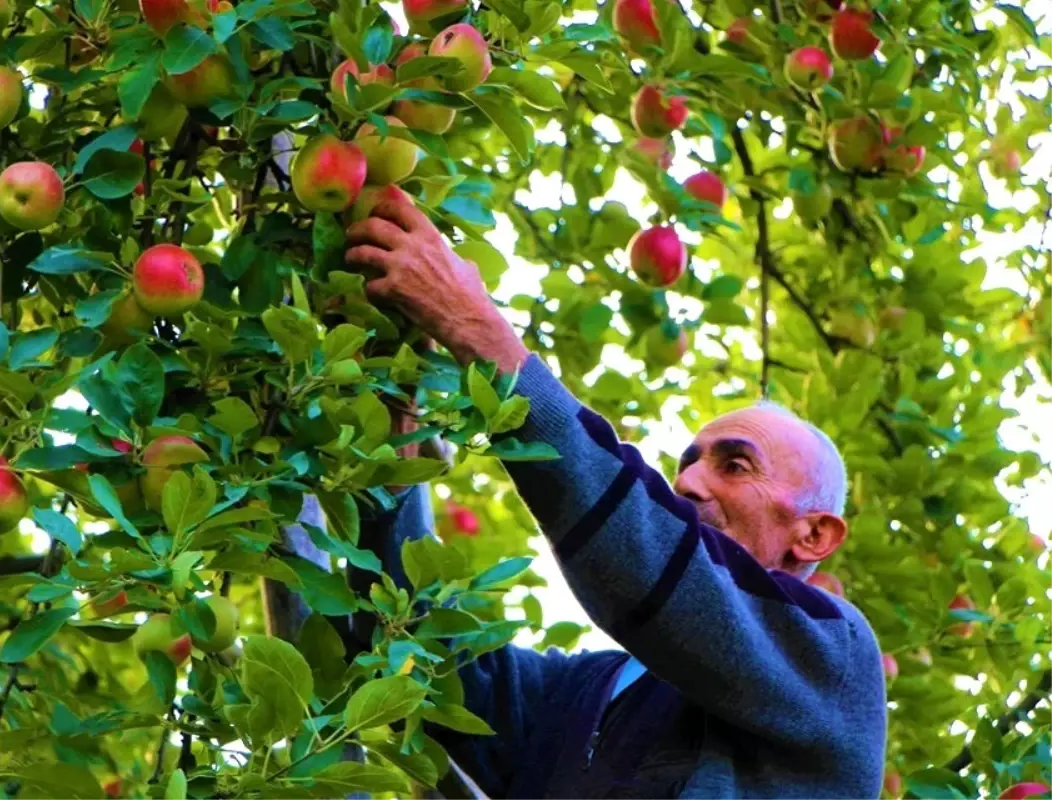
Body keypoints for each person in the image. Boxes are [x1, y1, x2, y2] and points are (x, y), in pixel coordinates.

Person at [342, 187, 888, 799]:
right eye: (687, 463)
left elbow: (649, 551)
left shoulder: (833, 659)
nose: (688, 483)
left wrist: (478, 329)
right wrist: (398, 423)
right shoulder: (579, 694)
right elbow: (415, 647)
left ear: (814, 534)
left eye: (736, 465)